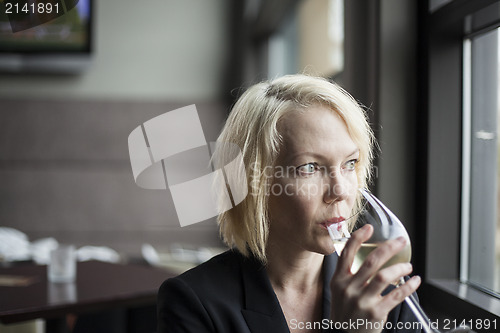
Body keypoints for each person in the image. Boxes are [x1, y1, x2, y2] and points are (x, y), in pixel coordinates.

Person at [157, 74, 421, 333]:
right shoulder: (194, 303)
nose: (340, 190)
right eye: (309, 168)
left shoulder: (381, 285)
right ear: (254, 183)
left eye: (349, 163)